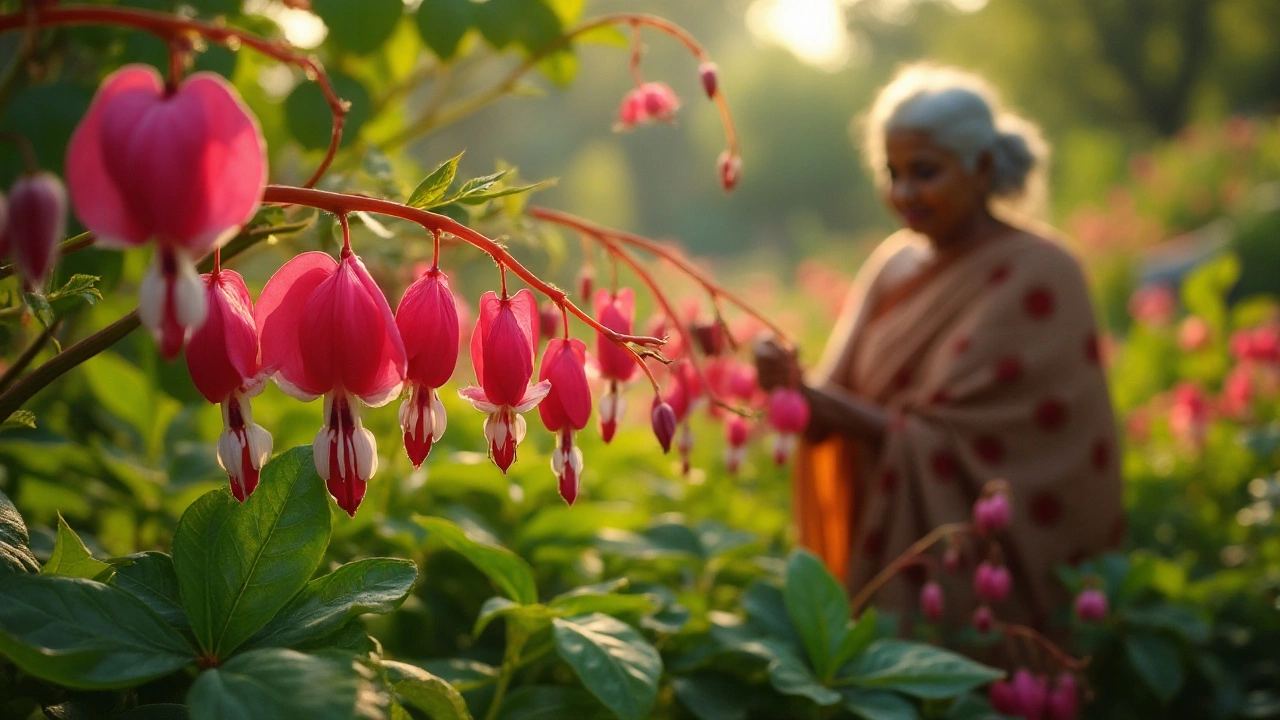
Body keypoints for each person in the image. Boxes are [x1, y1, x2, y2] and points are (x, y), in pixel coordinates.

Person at [754, 63, 1123, 630]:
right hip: (880, 540)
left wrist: (810, 397)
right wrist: (786, 381)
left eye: (924, 172)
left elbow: (1007, 450)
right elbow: (826, 407)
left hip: (983, 568)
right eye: (891, 172)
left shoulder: (1042, 273)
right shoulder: (891, 264)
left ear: (980, 167)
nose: (903, 193)